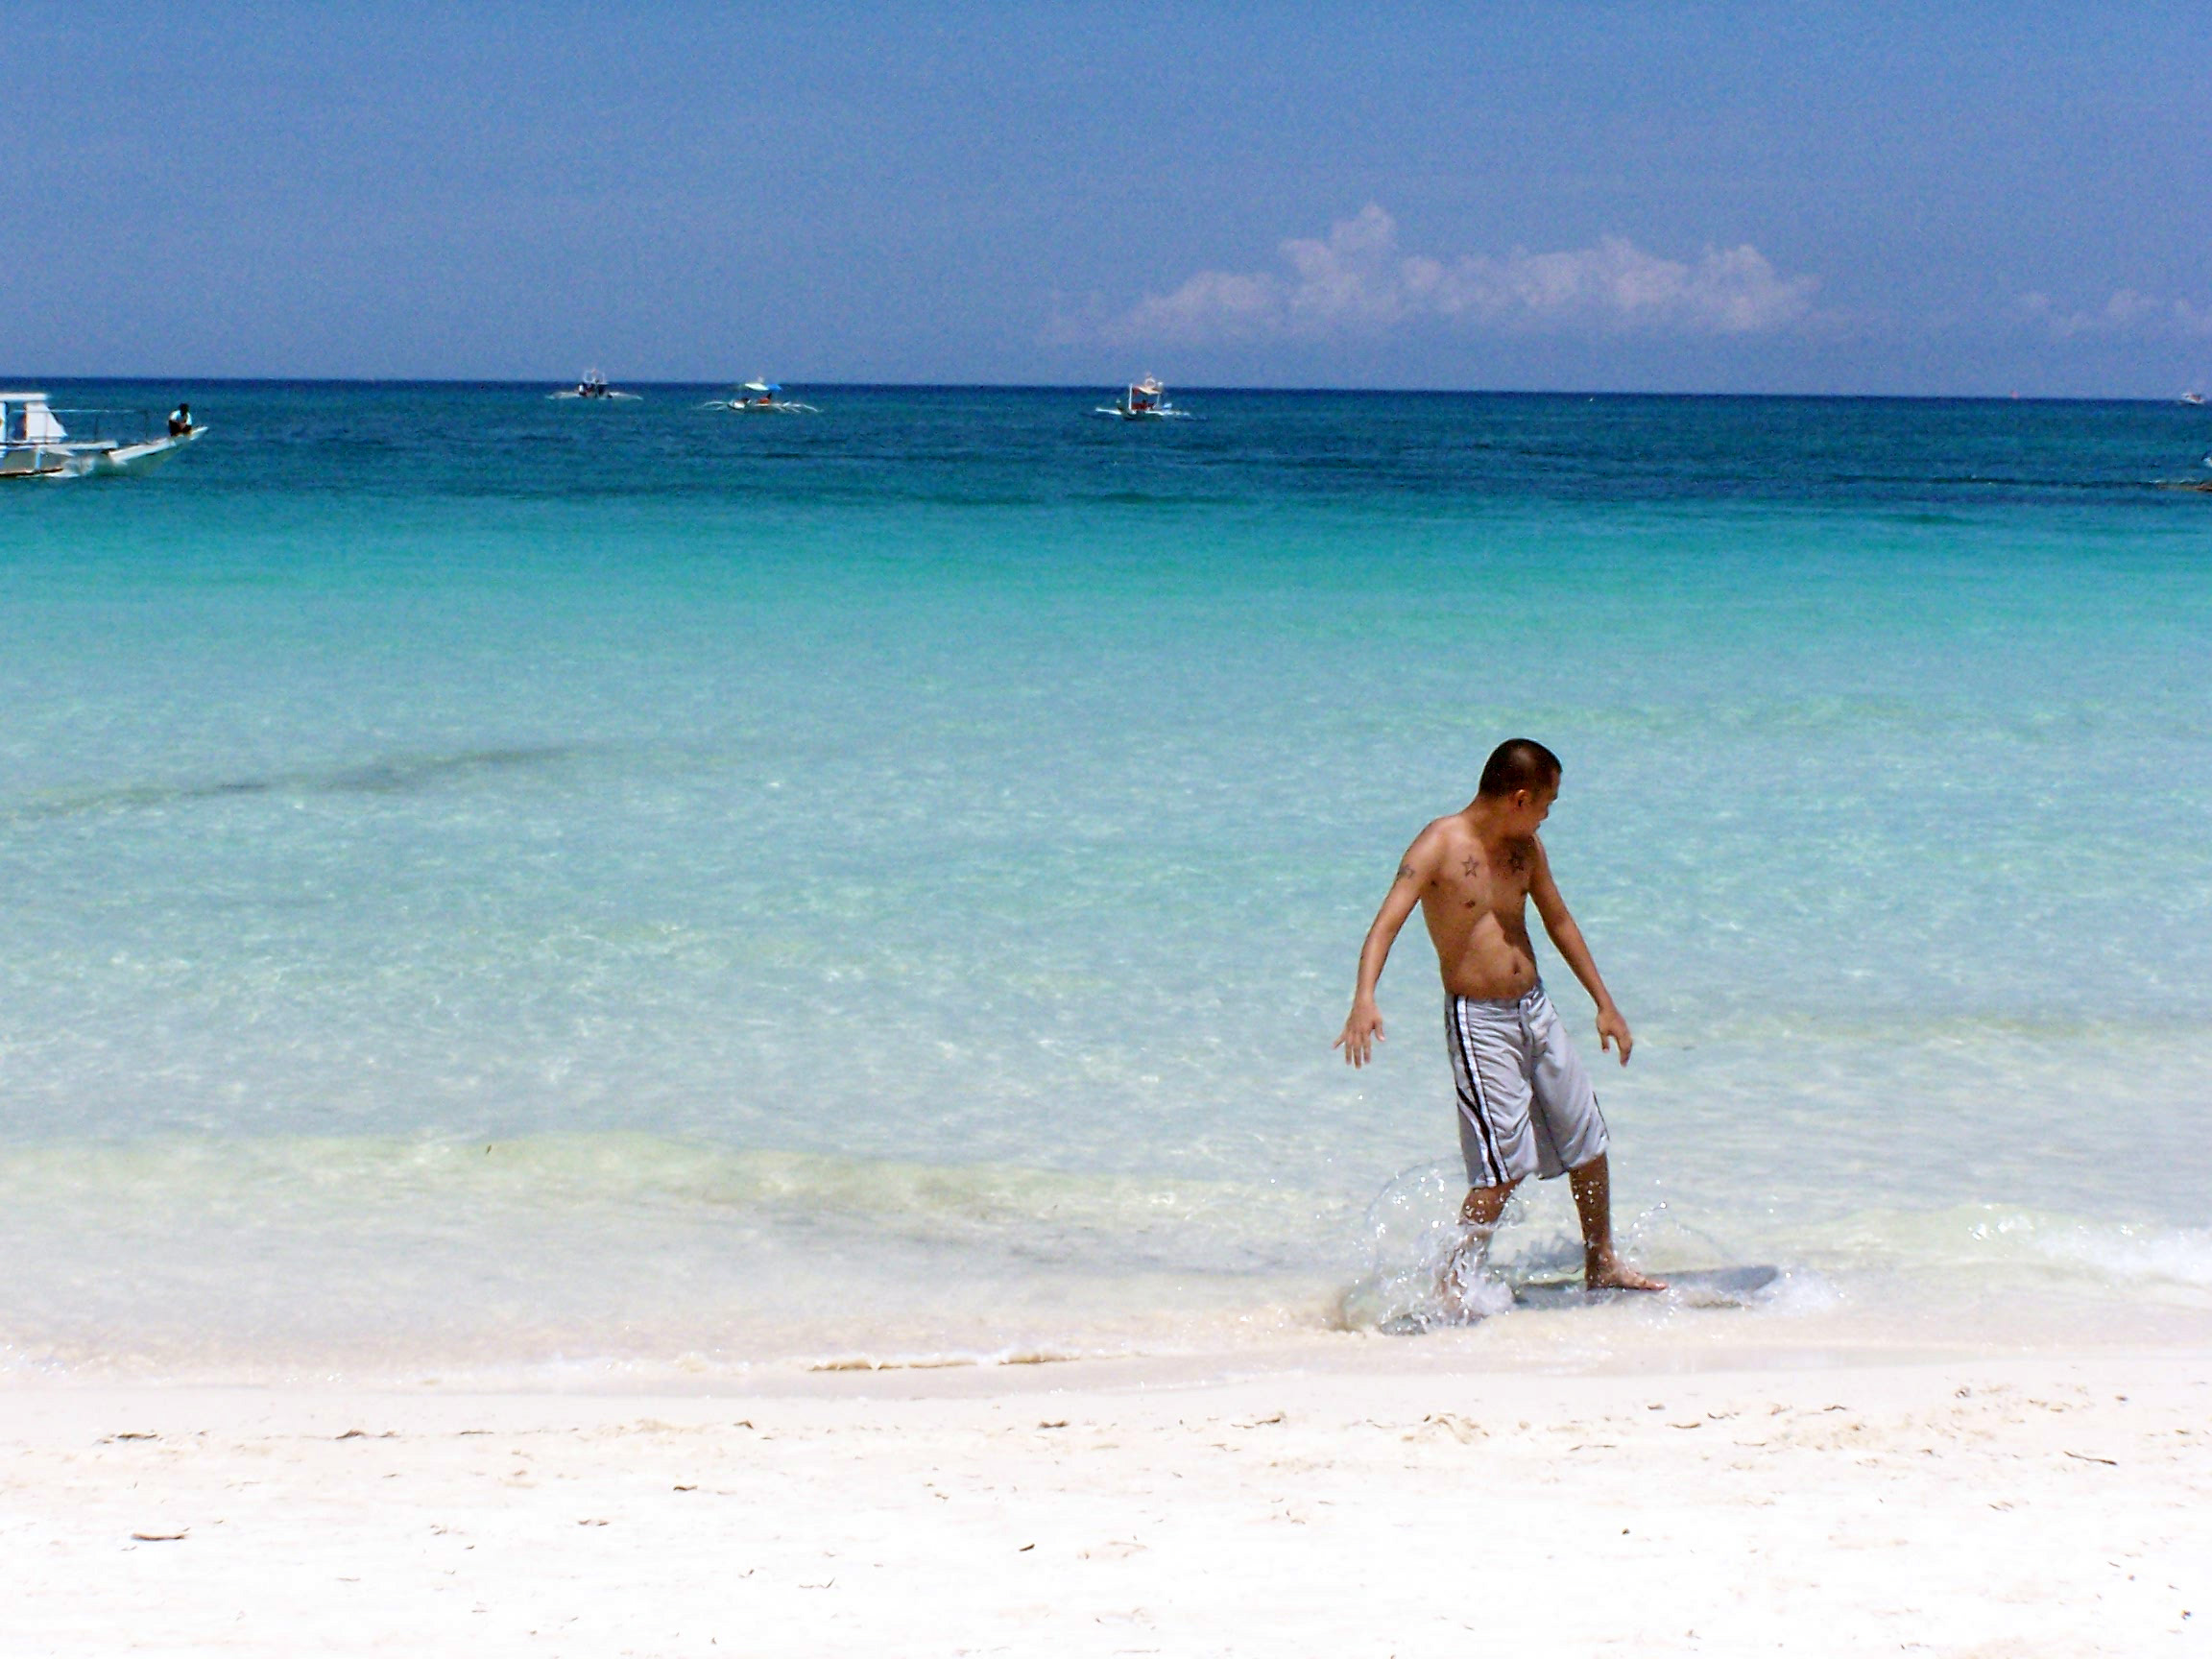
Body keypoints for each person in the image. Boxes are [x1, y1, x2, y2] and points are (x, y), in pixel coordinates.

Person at [1334, 737, 1663, 1312]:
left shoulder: (1526, 850)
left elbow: (1558, 919)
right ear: (1518, 797)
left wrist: (1604, 1003)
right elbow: (1385, 923)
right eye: (1547, 803)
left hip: (1534, 1009)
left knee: (1587, 1138)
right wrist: (1365, 998)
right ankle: (1453, 1282)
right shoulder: (1438, 844)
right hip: (1478, 1020)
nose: (1547, 815)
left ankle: (1601, 1260)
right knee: (1500, 1170)